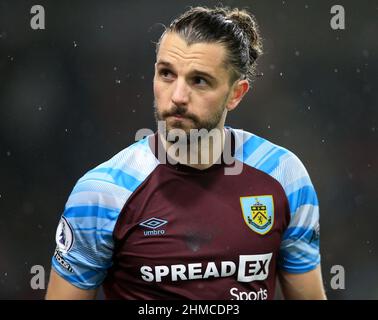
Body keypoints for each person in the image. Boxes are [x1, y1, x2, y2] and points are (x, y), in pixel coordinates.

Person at [46, 6, 326, 300]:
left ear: (236, 94)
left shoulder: (284, 175)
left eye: (199, 80)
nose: (178, 97)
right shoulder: (102, 193)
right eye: (166, 74)